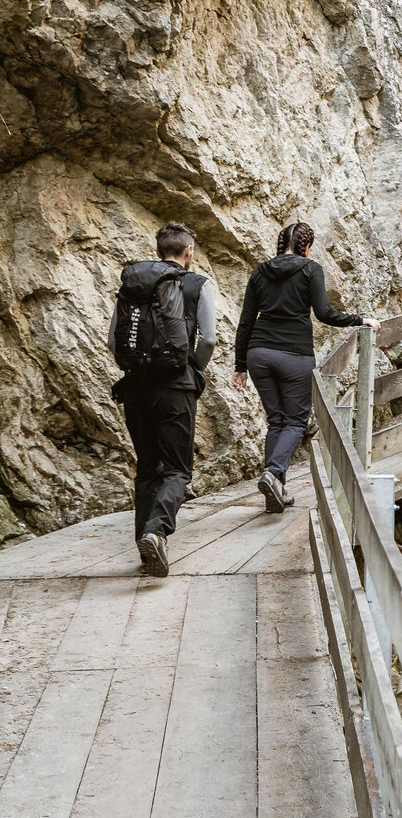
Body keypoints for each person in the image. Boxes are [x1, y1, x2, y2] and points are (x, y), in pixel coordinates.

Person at [233, 222, 378, 513]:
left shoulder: (260, 271)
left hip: (259, 353)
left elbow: (246, 320)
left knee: (276, 421)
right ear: (307, 246)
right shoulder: (310, 269)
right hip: (294, 353)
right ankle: (273, 474)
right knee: (296, 422)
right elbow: (324, 313)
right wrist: (361, 320)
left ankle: (276, 490)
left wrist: (240, 366)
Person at [108, 222, 218, 577]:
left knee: (147, 468)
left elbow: (114, 341)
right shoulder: (197, 284)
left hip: (136, 387)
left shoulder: (134, 285)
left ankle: (146, 548)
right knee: (177, 470)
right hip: (176, 388)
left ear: (158, 252)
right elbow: (210, 340)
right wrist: (193, 368)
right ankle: (156, 533)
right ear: (188, 253)